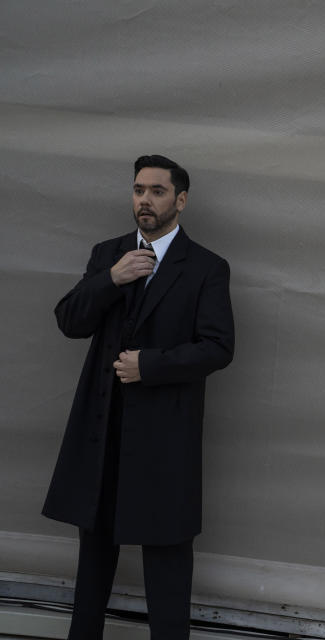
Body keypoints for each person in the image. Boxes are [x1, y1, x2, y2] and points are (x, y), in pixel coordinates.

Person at [43, 155, 235, 639]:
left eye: (156, 191)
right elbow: (70, 321)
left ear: (180, 200)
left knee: (168, 571)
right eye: (137, 190)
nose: (144, 200)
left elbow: (218, 347)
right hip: (101, 434)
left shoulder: (207, 268)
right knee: (91, 573)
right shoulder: (108, 253)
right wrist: (112, 277)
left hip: (165, 440)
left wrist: (149, 365)